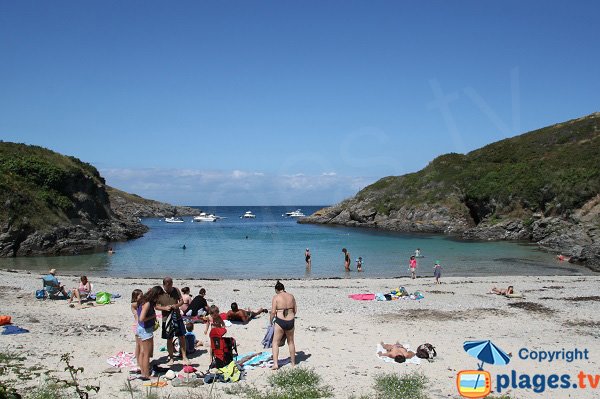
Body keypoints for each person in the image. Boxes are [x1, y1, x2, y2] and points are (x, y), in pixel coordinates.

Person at [155, 277, 189, 366]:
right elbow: (156, 306)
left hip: (177, 317)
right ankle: (171, 357)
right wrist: (165, 308)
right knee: (169, 338)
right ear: (164, 285)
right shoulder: (159, 293)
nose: (170, 287)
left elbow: (181, 301)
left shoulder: (176, 290)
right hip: (166, 319)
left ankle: (184, 356)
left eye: (171, 284)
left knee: (181, 336)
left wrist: (176, 305)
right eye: (168, 285)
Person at [134, 286, 162, 380]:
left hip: (140, 328)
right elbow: (142, 318)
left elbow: (136, 311)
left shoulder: (142, 300)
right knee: (146, 354)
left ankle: (143, 372)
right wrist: (153, 316)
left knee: (142, 353)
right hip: (145, 330)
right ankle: (147, 375)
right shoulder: (147, 303)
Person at [270, 280, 297, 370]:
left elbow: (273, 312)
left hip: (280, 321)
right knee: (291, 342)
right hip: (290, 320)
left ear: (277, 290)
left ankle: (276, 364)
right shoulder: (291, 296)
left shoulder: (276, 297)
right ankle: (293, 363)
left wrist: (271, 321)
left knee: (275, 343)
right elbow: (295, 310)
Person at [131, 289, 143, 365]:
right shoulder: (134, 304)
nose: (142, 297)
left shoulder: (139, 303)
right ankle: (139, 362)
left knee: (139, 344)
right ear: (135, 297)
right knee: (139, 344)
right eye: (140, 296)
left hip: (138, 325)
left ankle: (139, 360)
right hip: (137, 325)